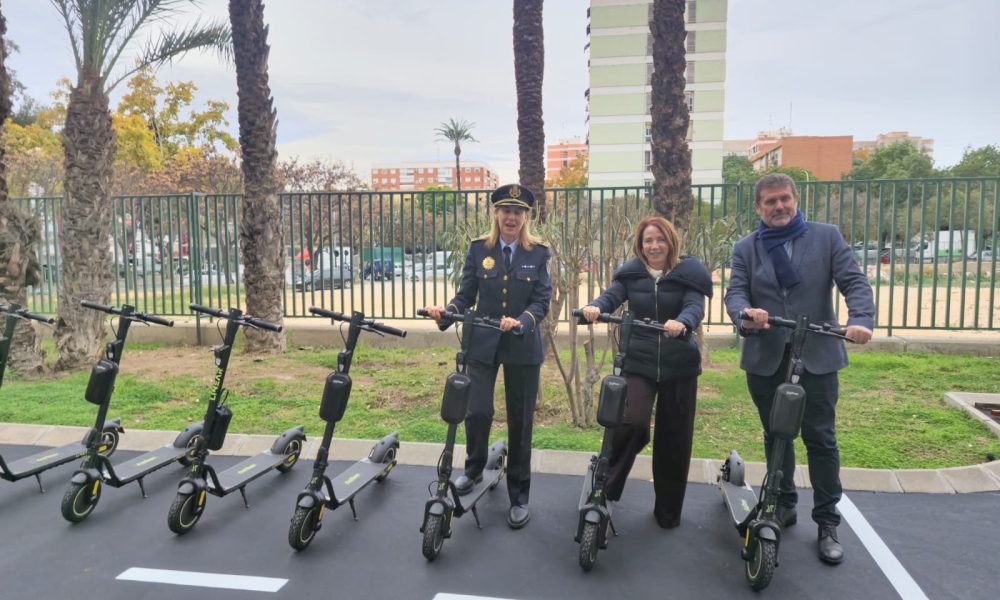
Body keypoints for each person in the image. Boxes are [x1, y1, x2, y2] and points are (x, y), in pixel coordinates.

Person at [724, 173, 875, 565]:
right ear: (758, 207)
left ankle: (827, 522)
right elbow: (736, 291)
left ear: (796, 200)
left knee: (821, 439)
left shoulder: (825, 237)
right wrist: (745, 314)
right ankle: (782, 504)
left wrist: (859, 319)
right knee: (776, 436)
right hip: (766, 357)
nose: (779, 207)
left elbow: (854, 281)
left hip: (818, 356)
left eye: (785, 199)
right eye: (770, 201)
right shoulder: (746, 248)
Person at [423, 183, 551, 530]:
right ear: (495, 214)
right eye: (505, 211)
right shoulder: (479, 249)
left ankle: (519, 495)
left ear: (526, 217)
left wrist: (523, 321)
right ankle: (475, 469)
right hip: (483, 342)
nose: (511, 217)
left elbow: (541, 301)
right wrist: (446, 311)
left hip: (522, 345)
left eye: (518, 212)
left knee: (520, 421)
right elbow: (465, 295)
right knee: (476, 409)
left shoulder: (539, 253)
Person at [580, 215, 713, 529]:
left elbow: (695, 305)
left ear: (670, 242)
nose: (654, 246)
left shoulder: (689, 274)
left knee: (675, 439)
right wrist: (596, 307)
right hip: (638, 360)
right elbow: (611, 296)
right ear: (640, 246)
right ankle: (606, 490)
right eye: (647, 241)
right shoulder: (631, 274)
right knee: (631, 421)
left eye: (659, 239)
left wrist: (684, 322)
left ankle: (668, 513)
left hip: (679, 364)